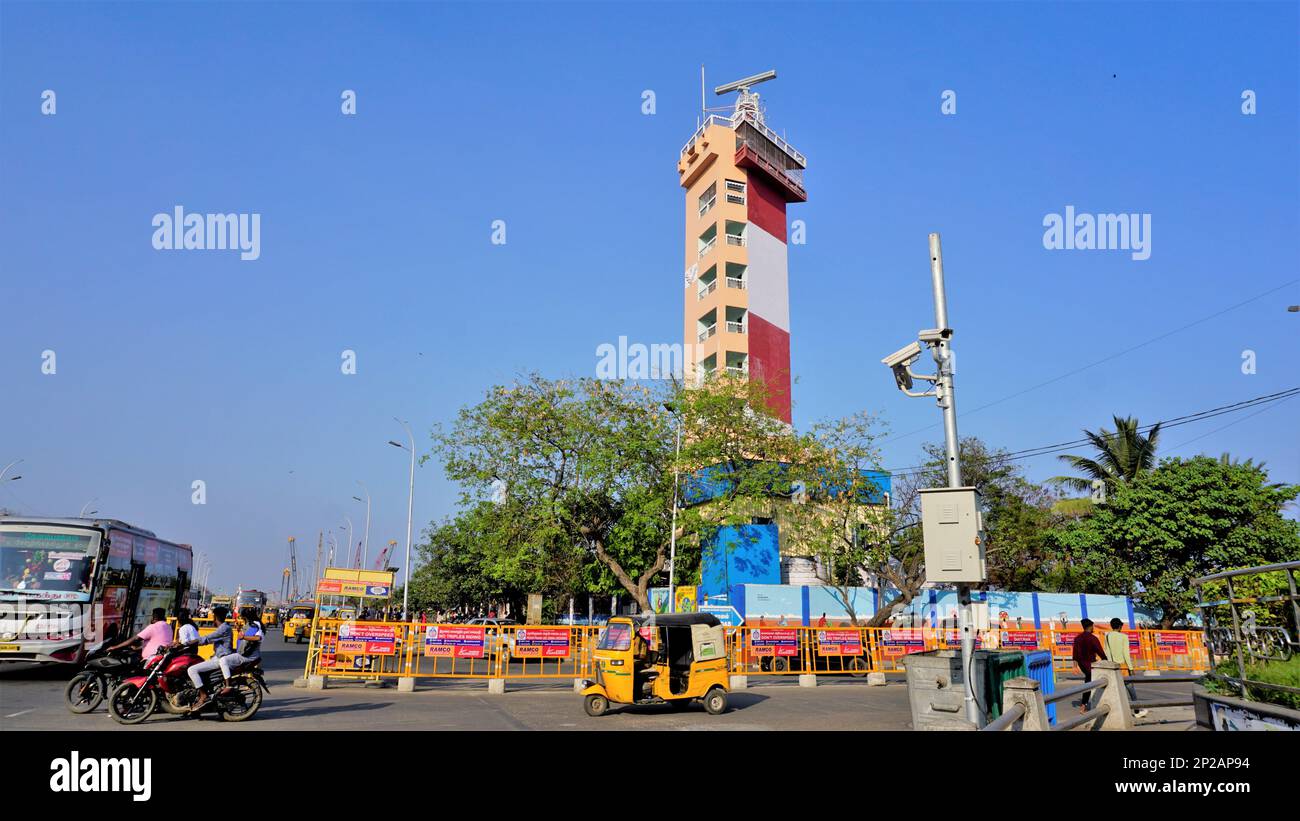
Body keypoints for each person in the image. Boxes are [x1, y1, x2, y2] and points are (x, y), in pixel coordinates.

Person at [183, 606, 234, 711]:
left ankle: (203, 695)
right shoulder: (223, 628)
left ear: (215, 617)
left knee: (192, 670)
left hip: (221, 659)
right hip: (217, 657)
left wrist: (187, 643)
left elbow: (207, 638)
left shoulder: (224, 628)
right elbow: (208, 641)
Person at [1103, 617, 1149, 718]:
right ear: (1119, 626)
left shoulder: (1107, 636)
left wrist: (1111, 664)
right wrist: (1131, 668)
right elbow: (1126, 654)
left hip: (1113, 666)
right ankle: (1136, 711)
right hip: (1123, 666)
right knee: (1130, 688)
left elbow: (1107, 652)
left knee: (1114, 688)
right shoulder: (1123, 636)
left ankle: (1113, 711)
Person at [212, 607, 263, 698]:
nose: (242, 620)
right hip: (245, 653)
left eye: (243, 618)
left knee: (223, 660)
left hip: (248, 656)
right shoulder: (251, 624)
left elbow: (258, 638)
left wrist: (243, 637)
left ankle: (228, 685)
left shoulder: (255, 625)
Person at [1071, 618, 1106, 713]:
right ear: (1090, 626)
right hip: (1091, 665)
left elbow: (1075, 654)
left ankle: (1084, 705)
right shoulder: (1093, 638)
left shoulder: (1077, 639)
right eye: (1092, 626)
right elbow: (1100, 652)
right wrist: (1106, 661)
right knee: (1093, 683)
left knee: (1088, 681)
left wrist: (1075, 666)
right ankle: (1086, 705)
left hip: (1083, 665)